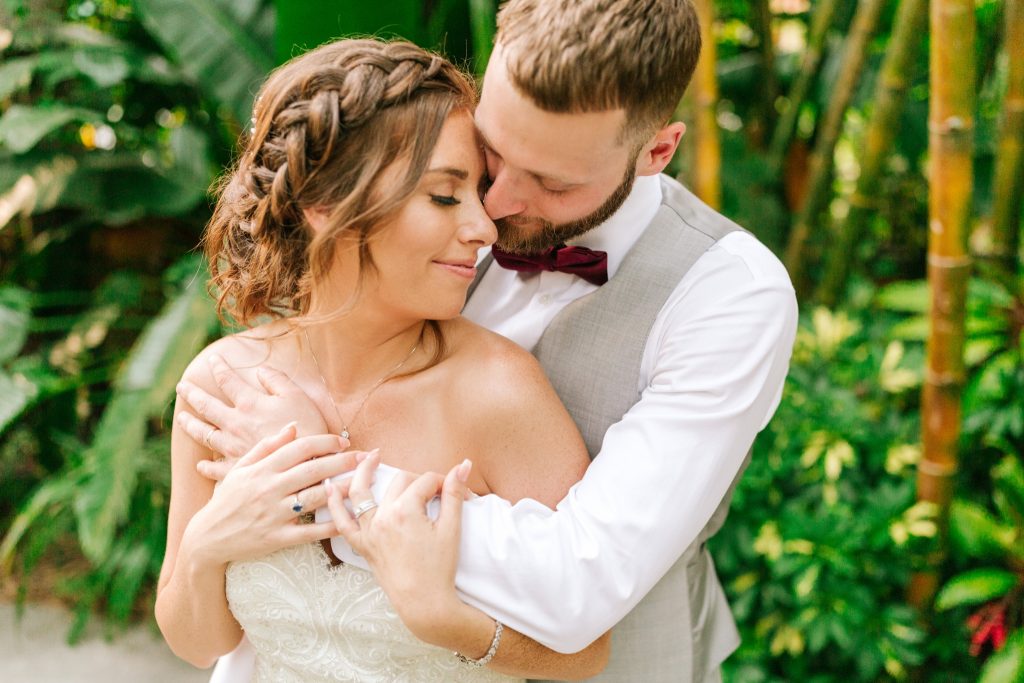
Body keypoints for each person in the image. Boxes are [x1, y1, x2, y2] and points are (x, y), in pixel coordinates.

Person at [178, 0, 800, 681]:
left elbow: (580, 583)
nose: (494, 207)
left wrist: (325, 475)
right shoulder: (418, 226)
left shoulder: (728, 295)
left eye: (552, 182)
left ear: (658, 151)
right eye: (488, 156)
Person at [155, 37, 614, 682]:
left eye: (476, 194)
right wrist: (210, 545)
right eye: (446, 197)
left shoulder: (498, 392)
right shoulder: (222, 385)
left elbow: (586, 652)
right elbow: (195, 642)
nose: (484, 227)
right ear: (326, 204)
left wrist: (442, 617)